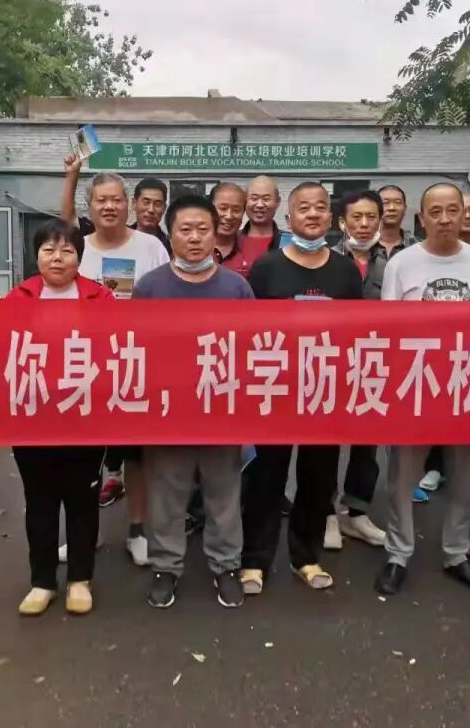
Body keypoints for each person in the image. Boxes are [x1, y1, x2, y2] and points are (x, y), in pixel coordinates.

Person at [376, 182, 470, 596]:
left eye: (453, 210)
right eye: (436, 212)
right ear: (421, 218)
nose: (445, 219)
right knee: (402, 478)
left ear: (467, 215)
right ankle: (398, 554)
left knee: (463, 478)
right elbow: (388, 327)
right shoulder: (402, 263)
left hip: (466, 385)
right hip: (414, 385)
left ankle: (456, 554)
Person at [240, 182, 363, 596]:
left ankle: (306, 557)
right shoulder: (267, 268)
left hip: (324, 389)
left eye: (320, 207)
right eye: (304, 208)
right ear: (289, 218)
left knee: (318, 476)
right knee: (265, 478)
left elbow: (358, 332)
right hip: (274, 387)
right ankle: (254, 560)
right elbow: (249, 331)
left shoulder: (345, 271)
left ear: (331, 218)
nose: (312, 214)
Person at [133, 194, 254, 609]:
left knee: (224, 493)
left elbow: (253, 347)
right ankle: (166, 567)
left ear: (216, 233)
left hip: (221, 408)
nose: (195, 238)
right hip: (167, 411)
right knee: (167, 495)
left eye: (203, 229)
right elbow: (135, 347)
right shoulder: (150, 287)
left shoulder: (236, 287)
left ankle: (226, 566)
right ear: (170, 234)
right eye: (185, 229)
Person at [7, 219, 112, 615]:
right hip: (32, 417)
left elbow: (113, 349)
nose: (57, 258)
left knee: (83, 500)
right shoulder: (18, 298)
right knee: (40, 502)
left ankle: (81, 579)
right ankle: (42, 581)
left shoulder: (100, 298)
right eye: (49, 250)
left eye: (67, 250)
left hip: (85, 416)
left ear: (79, 258)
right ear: (36, 256)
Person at [73, 163, 169, 564]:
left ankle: (138, 531)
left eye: (116, 200)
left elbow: (167, 298)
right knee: (84, 456)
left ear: (128, 205)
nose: (109, 207)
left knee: (136, 454)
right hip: (86, 365)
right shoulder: (77, 247)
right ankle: (84, 533)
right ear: (90, 206)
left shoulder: (151, 247)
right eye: (101, 200)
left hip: (137, 364)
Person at [324, 189, 389, 550]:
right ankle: (327, 514)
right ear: (342, 222)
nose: (364, 224)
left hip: (377, 362)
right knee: (326, 442)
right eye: (356, 217)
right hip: (331, 362)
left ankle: (357, 512)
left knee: (367, 444)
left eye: (370, 217)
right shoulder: (325, 259)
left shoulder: (393, 262)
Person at [376, 185, 439, 502]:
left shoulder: (420, 250)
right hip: (367, 344)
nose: (390, 207)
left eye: (396, 202)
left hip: (411, 346)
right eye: (384, 202)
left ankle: (406, 479)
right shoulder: (352, 247)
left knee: (404, 418)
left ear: (406, 209)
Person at [211, 182, 257, 278]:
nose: (229, 216)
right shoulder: (193, 247)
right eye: (223, 208)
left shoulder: (255, 252)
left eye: (236, 210)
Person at [241, 175, 283, 259]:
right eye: (254, 199)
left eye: (266, 199)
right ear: (245, 201)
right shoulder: (232, 242)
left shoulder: (289, 243)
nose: (259, 205)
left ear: (278, 202)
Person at [131, 177, 172, 255]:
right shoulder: (118, 241)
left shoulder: (170, 248)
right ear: (134, 203)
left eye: (157, 204)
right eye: (146, 202)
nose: (151, 210)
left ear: (164, 208)